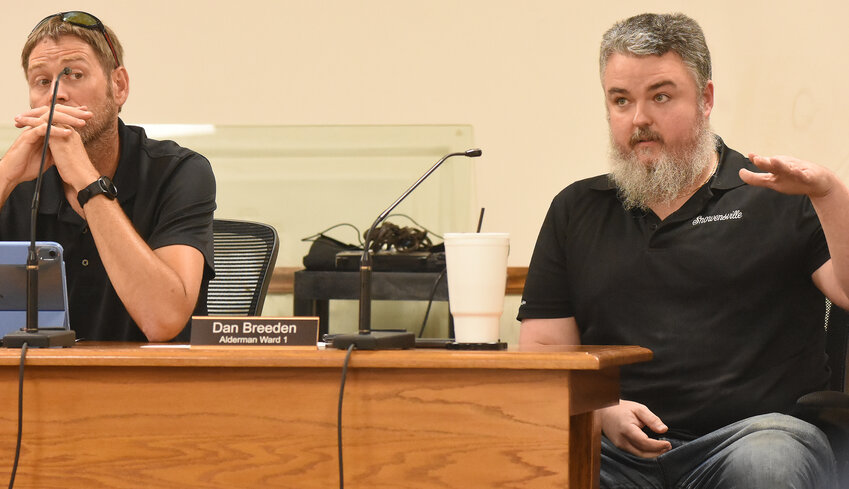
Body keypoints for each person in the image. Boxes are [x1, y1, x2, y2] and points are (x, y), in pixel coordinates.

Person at [518, 12, 849, 489]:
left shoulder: (776, 195)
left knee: (764, 466)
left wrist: (828, 193)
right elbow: (546, 355)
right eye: (621, 100)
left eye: (661, 96)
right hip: (616, 450)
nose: (639, 120)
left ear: (706, 99)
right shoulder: (576, 210)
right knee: (523, 464)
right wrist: (597, 412)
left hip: (753, 437)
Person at [0, 12, 216, 342]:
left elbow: (163, 320)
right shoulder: (16, 178)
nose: (56, 94)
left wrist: (87, 180)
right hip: (32, 385)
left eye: (74, 74)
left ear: (119, 86)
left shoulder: (178, 172)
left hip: (149, 386)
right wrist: (4, 177)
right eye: (42, 81)